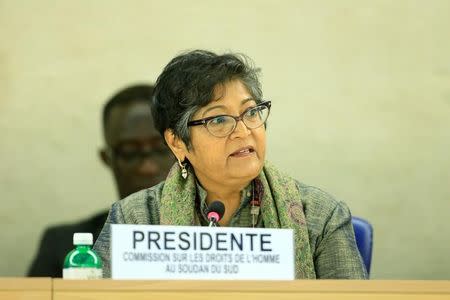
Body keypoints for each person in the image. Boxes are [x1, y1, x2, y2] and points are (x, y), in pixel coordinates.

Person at [94, 50, 368, 279]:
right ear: (177, 142)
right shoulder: (136, 219)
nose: (243, 131)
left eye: (251, 112)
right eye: (218, 120)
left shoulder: (319, 217)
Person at [28, 84, 173, 277]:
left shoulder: (217, 241)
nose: (147, 167)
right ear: (107, 159)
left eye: (161, 148)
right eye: (130, 152)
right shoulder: (63, 247)